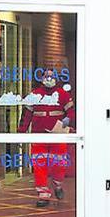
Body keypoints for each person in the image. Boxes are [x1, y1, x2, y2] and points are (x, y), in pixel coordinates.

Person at [20, 70, 74, 208]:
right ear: (42, 78)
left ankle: (58, 184)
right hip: (39, 134)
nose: (49, 79)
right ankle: (43, 194)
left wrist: (68, 120)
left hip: (58, 133)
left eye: (52, 76)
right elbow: (27, 114)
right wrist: (21, 131)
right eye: (46, 76)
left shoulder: (63, 94)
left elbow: (71, 112)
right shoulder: (35, 94)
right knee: (39, 164)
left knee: (59, 163)